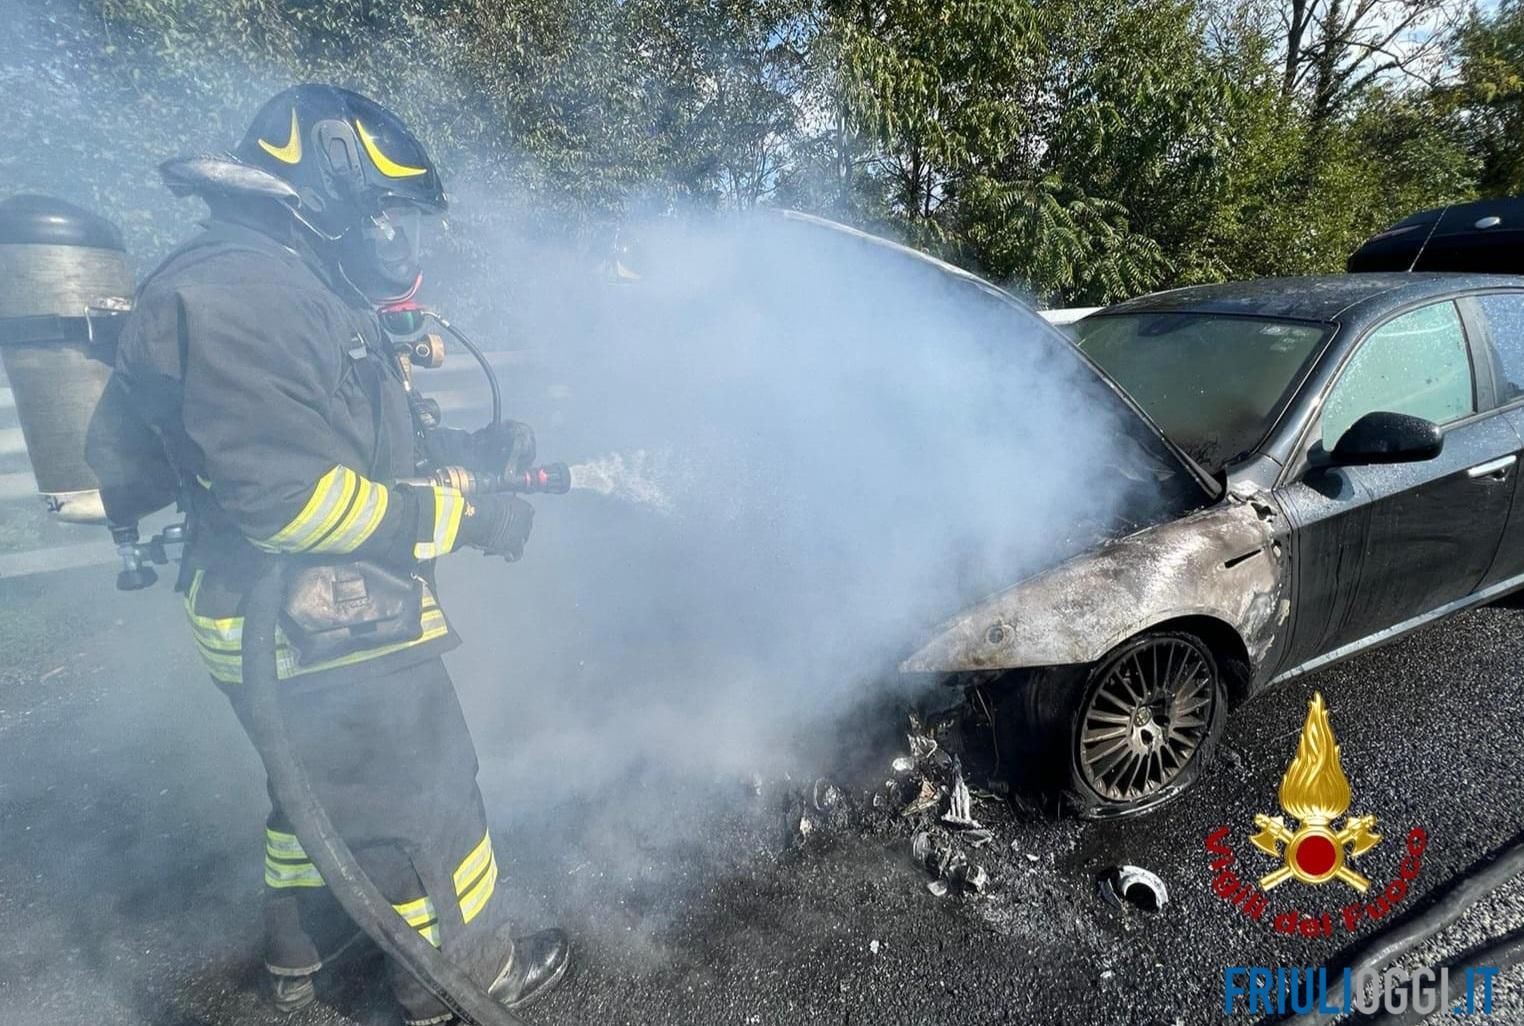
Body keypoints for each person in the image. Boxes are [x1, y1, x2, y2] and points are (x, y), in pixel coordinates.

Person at [114, 83, 569, 1023]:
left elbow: (341, 441)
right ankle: (461, 981)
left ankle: (300, 958)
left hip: (285, 615)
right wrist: (466, 520)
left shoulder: (281, 282)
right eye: (391, 218)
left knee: (313, 792)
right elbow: (293, 500)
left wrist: (467, 461)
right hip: (310, 619)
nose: (403, 244)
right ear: (326, 191)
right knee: (422, 792)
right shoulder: (246, 294)